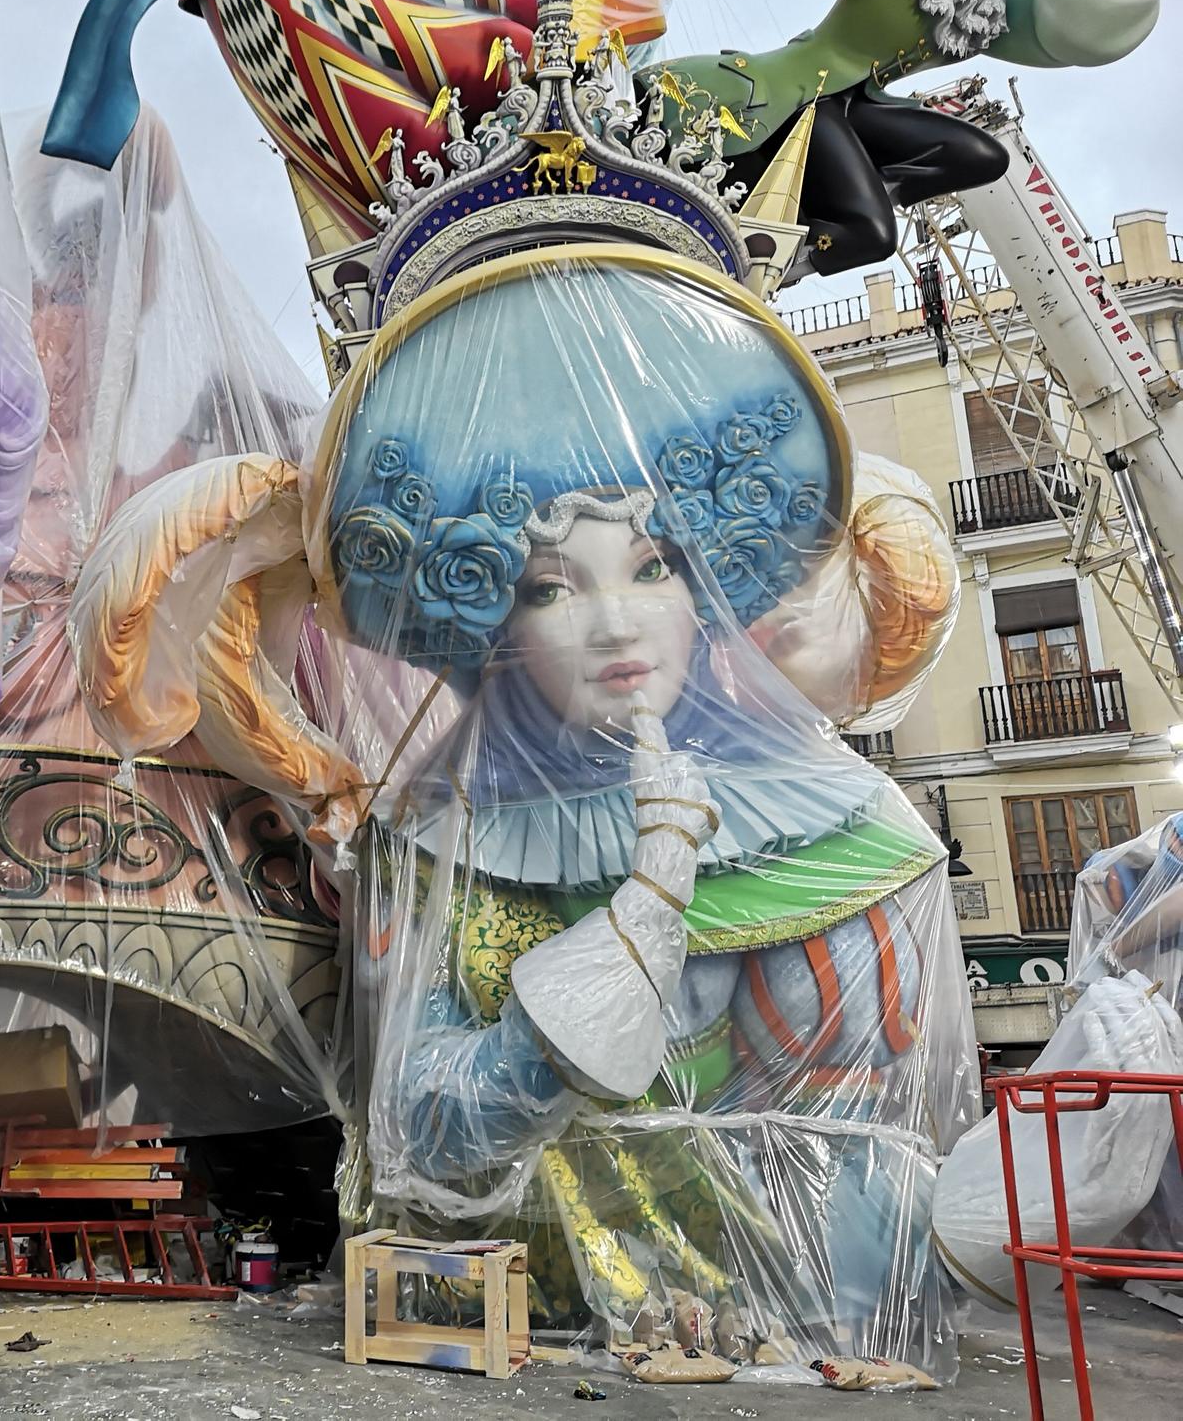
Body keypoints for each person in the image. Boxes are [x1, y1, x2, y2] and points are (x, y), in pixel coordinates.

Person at [70, 245, 978, 1377]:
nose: (611, 624)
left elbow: (859, 1153)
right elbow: (417, 1122)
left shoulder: (849, 832)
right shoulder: (431, 836)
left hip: (787, 1351)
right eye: (550, 586)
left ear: (705, 587)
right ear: (489, 613)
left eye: (650, 568)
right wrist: (636, 917)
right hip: (510, 1347)